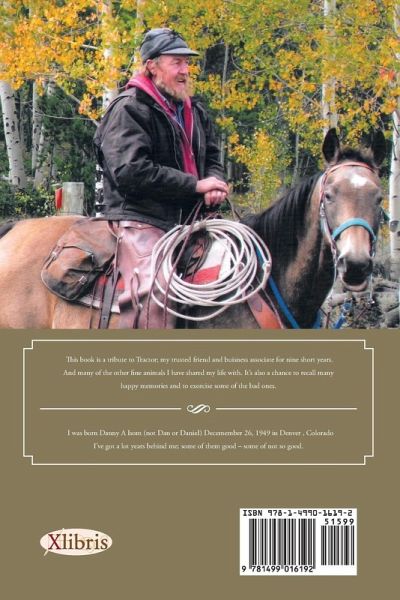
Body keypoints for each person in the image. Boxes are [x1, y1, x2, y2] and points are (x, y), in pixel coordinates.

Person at [93, 28, 228, 328]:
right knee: (156, 294)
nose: (185, 70)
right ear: (152, 66)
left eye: (187, 62)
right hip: (142, 217)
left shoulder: (193, 109)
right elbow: (130, 172)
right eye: (176, 62)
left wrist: (214, 183)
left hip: (190, 217)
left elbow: (212, 156)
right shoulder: (129, 108)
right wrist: (195, 186)